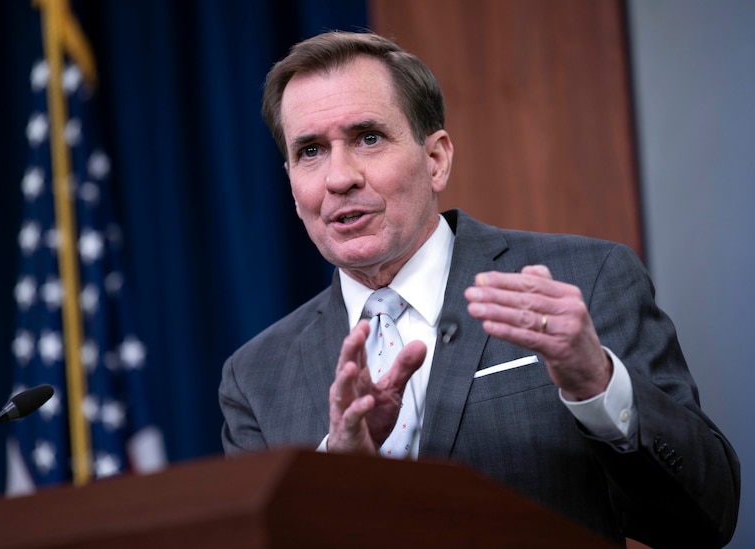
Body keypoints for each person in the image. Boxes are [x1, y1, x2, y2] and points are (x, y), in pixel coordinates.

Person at [218, 31, 740, 547]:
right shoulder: (256, 377)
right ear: (291, 182)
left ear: (436, 159)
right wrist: (339, 478)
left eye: (368, 138)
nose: (339, 178)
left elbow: (704, 518)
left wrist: (596, 383)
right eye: (311, 151)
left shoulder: (584, 280)